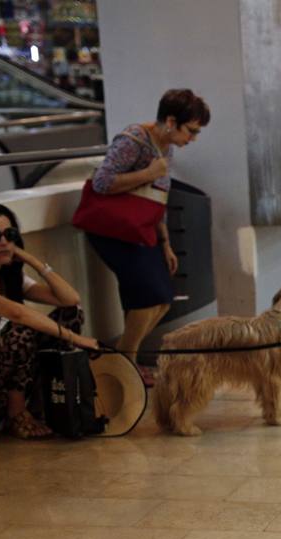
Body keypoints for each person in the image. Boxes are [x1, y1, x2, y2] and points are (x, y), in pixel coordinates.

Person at [0, 203, 98, 439]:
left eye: (10, 235)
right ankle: (17, 414)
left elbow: (70, 299)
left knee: (71, 313)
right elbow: (18, 314)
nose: (3, 242)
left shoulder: (9, 277)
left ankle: (51, 400)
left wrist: (32, 260)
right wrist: (77, 339)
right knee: (21, 329)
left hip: (7, 376)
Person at [86, 88, 209, 385]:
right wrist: (148, 173)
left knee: (164, 298)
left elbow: (157, 198)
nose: (192, 139)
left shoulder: (164, 147)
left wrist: (166, 243)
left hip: (143, 229)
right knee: (148, 296)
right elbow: (102, 182)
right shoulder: (133, 140)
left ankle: (126, 357)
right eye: (190, 131)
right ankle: (124, 362)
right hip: (114, 231)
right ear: (170, 121)